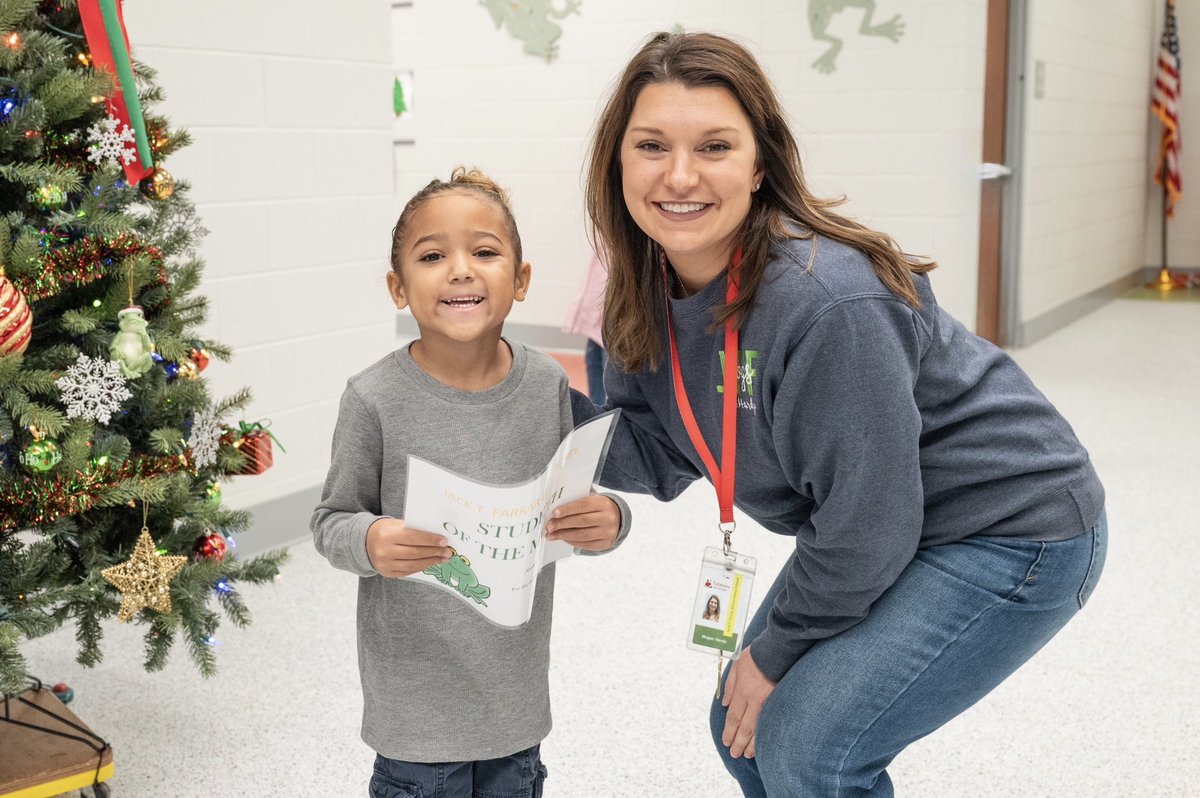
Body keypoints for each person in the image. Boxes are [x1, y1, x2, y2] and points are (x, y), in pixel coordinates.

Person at [571, 32, 1107, 797]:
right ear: (617, 162)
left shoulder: (828, 303)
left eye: (714, 146)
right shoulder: (643, 284)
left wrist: (776, 648)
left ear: (759, 166)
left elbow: (871, 521)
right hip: (878, 523)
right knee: (742, 737)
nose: (679, 175)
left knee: (807, 749)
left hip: (1010, 526)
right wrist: (498, 389)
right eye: (651, 145)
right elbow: (658, 449)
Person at [311, 166, 631, 798]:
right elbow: (331, 521)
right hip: (416, 715)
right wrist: (371, 540)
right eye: (433, 256)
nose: (460, 269)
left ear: (521, 280)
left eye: (484, 252)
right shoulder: (373, 398)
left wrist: (611, 518)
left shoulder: (547, 386)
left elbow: (578, 498)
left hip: (514, 703)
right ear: (399, 288)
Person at [562, 246, 609, 404]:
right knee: (594, 363)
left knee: (610, 377)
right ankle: (596, 416)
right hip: (598, 317)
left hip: (613, 322)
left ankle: (609, 422)